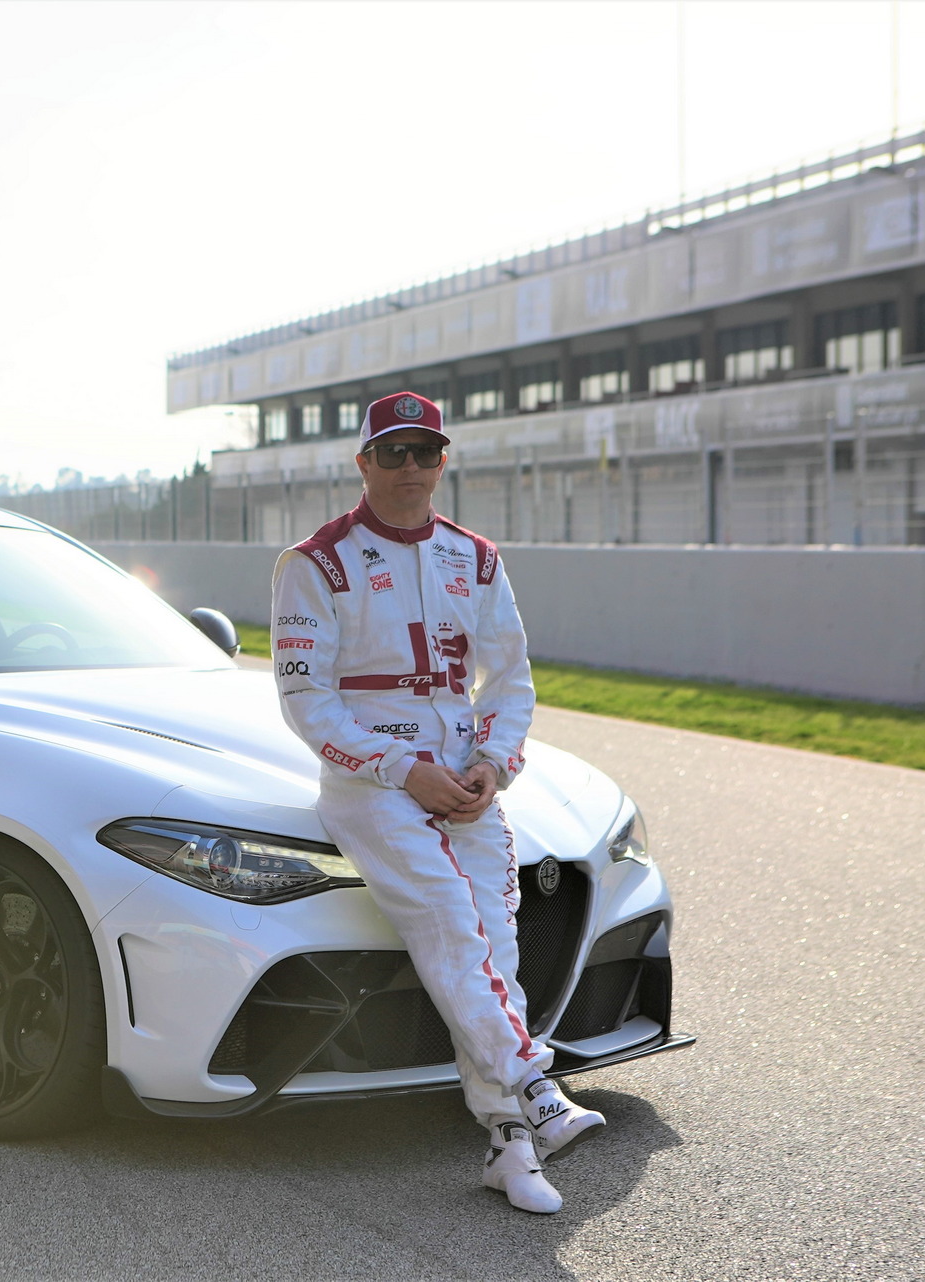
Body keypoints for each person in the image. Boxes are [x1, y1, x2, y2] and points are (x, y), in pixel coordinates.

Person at [270, 390, 604, 1214]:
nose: (410, 467)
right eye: (393, 452)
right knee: (452, 926)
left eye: (425, 452)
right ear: (364, 463)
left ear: (442, 461)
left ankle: (510, 1145)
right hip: (372, 785)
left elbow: (511, 678)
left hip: (465, 779)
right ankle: (536, 1084)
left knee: (494, 948)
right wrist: (399, 768)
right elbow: (306, 702)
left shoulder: (477, 557)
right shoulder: (316, 563)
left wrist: (494, 763)